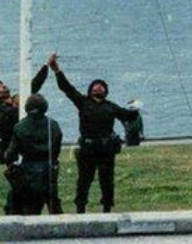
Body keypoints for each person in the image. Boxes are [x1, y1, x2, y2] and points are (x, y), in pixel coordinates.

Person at [54, 56, 138, 214]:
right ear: (90, 89)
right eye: (95, 85)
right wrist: (57, 70)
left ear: (105, 91)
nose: (98, 87)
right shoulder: (83, 102)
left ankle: (107, 209)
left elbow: (128, 116)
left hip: (106, 150)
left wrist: (136, 108)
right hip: (88, 149)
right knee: (84, 181)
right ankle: (80, 208)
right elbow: (67, 88)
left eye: (101, 86)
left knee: (107, 181)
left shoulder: (111, 106)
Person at [0, 54, 56, 215]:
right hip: (13, 152)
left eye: (3, 85)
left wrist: (46, 66)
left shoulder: (19, 99)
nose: (3, 87)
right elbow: (6, 123)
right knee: (20, 188)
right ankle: (13, 215)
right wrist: (18, 106)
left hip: (27, 148)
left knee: (37, 187)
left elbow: (34, 86)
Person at [3, 94, 63, 215]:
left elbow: (11, 154)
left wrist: (4, 155)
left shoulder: (20, 127)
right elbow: (56, 149)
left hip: (28, 170)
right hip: (49, 169)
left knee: (31, 208)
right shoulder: (53, 125)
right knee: (54, 206)